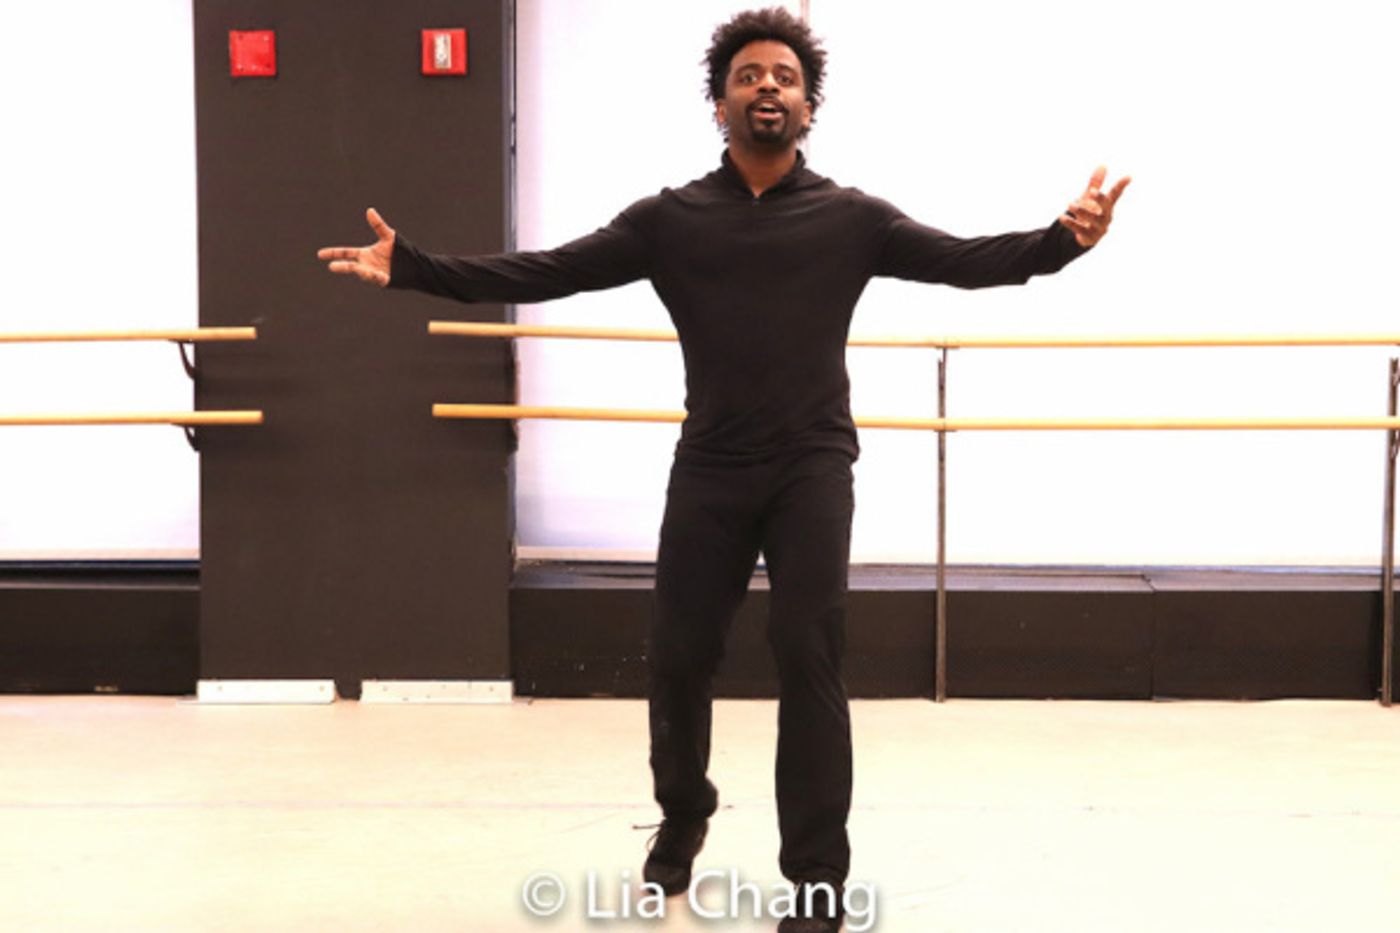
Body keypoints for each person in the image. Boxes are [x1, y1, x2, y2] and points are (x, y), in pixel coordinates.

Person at [319, 8, 1127, 931]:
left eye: (785, 76)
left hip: (811, 467)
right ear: (719, 105)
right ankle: (683, 814)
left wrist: (1065, 240)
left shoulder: (853, 219)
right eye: (748, 76)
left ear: (809, 107)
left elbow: (970, 261)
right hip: (710, 466)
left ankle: (816, 878)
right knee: (678, 656)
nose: (767, 86)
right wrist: (414, 267)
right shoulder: (670, 220)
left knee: (809, 654)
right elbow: (547, 271)